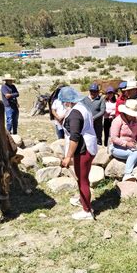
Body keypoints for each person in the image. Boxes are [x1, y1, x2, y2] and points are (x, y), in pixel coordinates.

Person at [59, 87, 98, 220]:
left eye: (64, 101)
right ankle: (83, 200)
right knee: (83, 178)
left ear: (68, 101)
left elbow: (74, 137)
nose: (64, 103)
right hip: (89, 146)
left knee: (82, 180)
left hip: (83, 149)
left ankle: (87, 211)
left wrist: (68, 157)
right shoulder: (83, 107)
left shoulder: (75, 114)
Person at [110, 99, 137, 181]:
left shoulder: (135, 121)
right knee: (134, 154)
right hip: (117, 147)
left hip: (132, 146)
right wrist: (126, 144)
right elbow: (114, 138)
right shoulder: (117, 121)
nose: (132, 116)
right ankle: (127, 174)